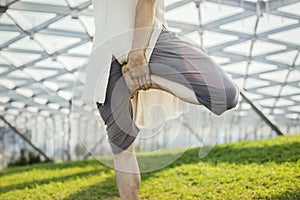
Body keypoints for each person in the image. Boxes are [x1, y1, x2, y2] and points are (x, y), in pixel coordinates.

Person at [82, 0, 239, 199]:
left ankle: (151, 79)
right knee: (121, 148)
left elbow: (146, 2)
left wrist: (138, 55)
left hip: (150, 39)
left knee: (225, 94)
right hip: (105, 59)